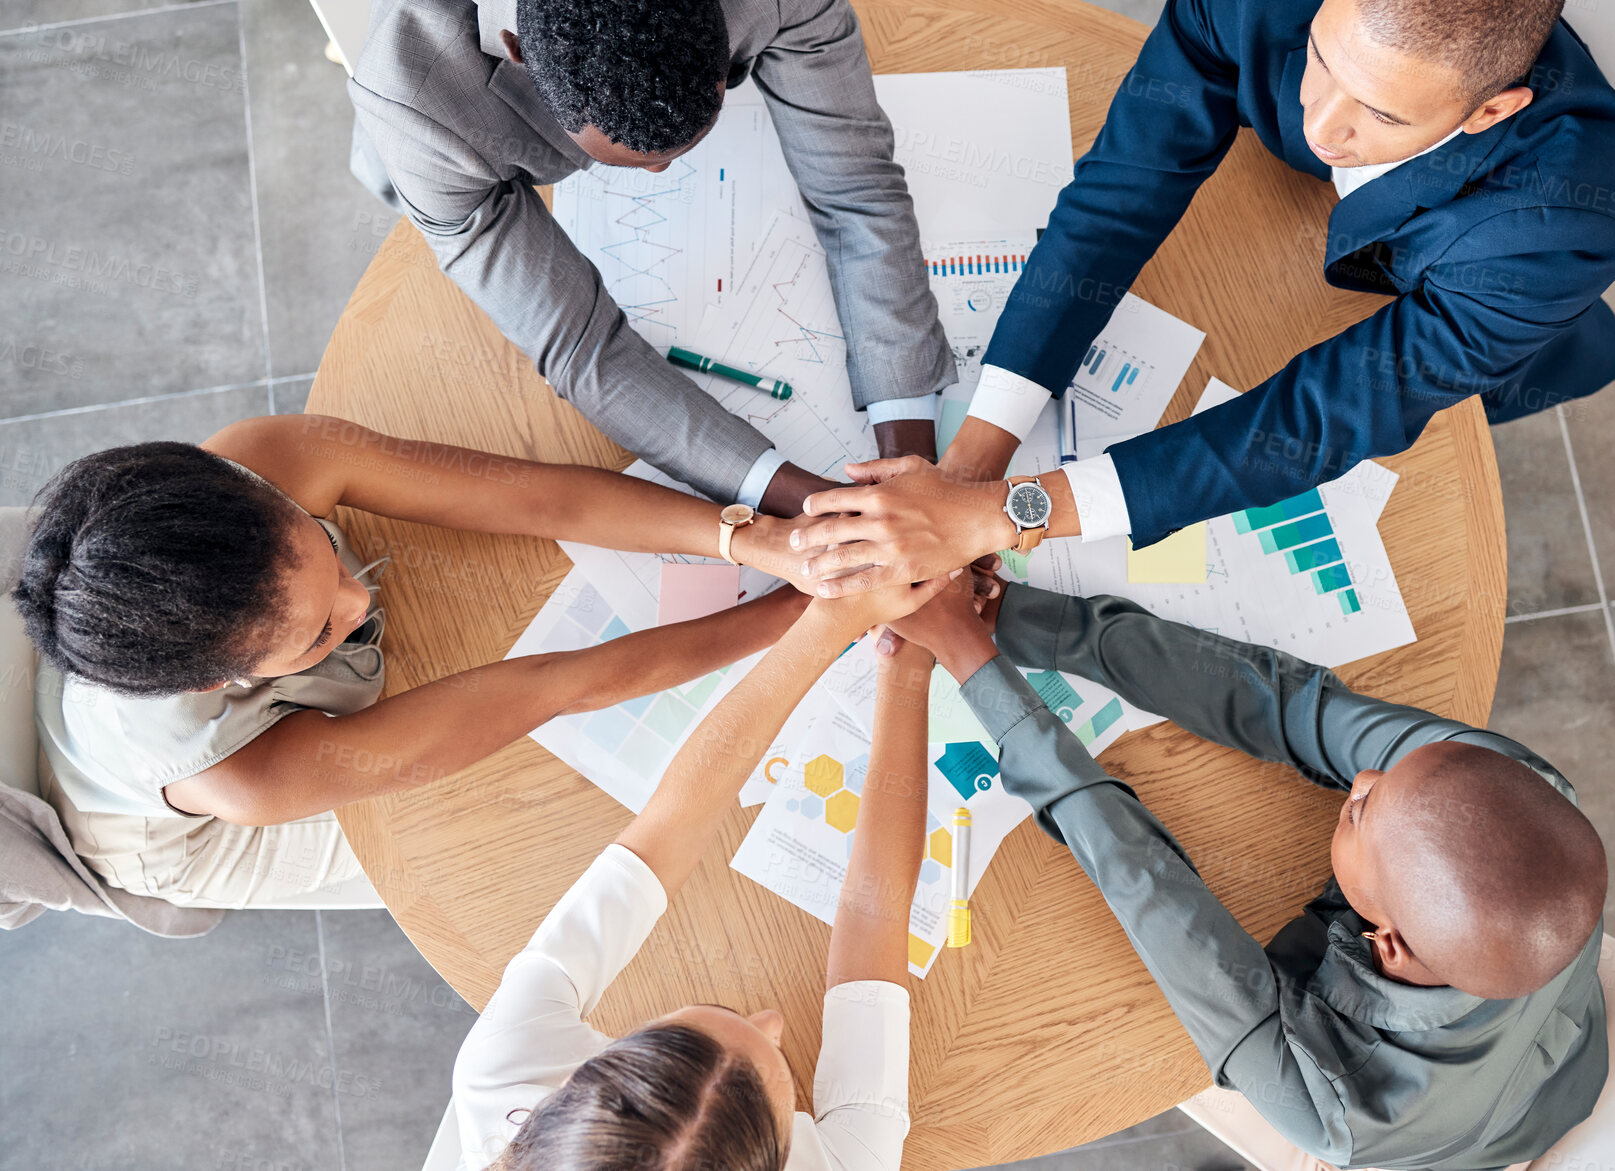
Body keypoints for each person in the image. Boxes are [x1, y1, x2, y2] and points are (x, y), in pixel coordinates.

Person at [785, 0, 1615, 592]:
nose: (1320, 120)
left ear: (1492, 114)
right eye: (1321, 59)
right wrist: (974, 462)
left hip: (1467, 321)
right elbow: (1123, 194)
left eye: (1377, 116)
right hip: (1300, 233)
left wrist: (1010, 514)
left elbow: (1318, 419)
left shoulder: (1562, 225)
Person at [885, 582, 1609, 1171]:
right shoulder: (1522, 790)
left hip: (1448, 1141)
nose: (1357, 777)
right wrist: (1018, 614)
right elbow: (1294, 707)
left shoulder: (1333, 1103)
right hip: (1552, 1052)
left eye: (1358, 810)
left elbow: (1141, 878)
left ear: (1390, 945)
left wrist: (970, 659)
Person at [12, 413, 819, 909]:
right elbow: (555, 686)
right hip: (160, 832)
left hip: (141, 660)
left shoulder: (269, 457)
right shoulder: (240, 780)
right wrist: (796, 613)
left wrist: (757, 540)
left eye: (325, 562)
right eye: (319, 633)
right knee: (460, 842)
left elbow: (541, 498)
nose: (361, 603)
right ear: (222, 679)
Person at [348, 0, 954, 516]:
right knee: (407, 196)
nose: (662, 172)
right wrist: (813, 504)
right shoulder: (412, 103)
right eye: (636, 160)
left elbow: (857, 192)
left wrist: (910, 468)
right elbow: (584, 350)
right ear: (518, 49)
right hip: (445, 123)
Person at [450, 574, 949, 1170]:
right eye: (777, 1066)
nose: (772, 1020)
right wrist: (910, 666)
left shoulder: (504, 1077)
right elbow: (877, 911)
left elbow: (667, 830)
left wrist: (831, 623)